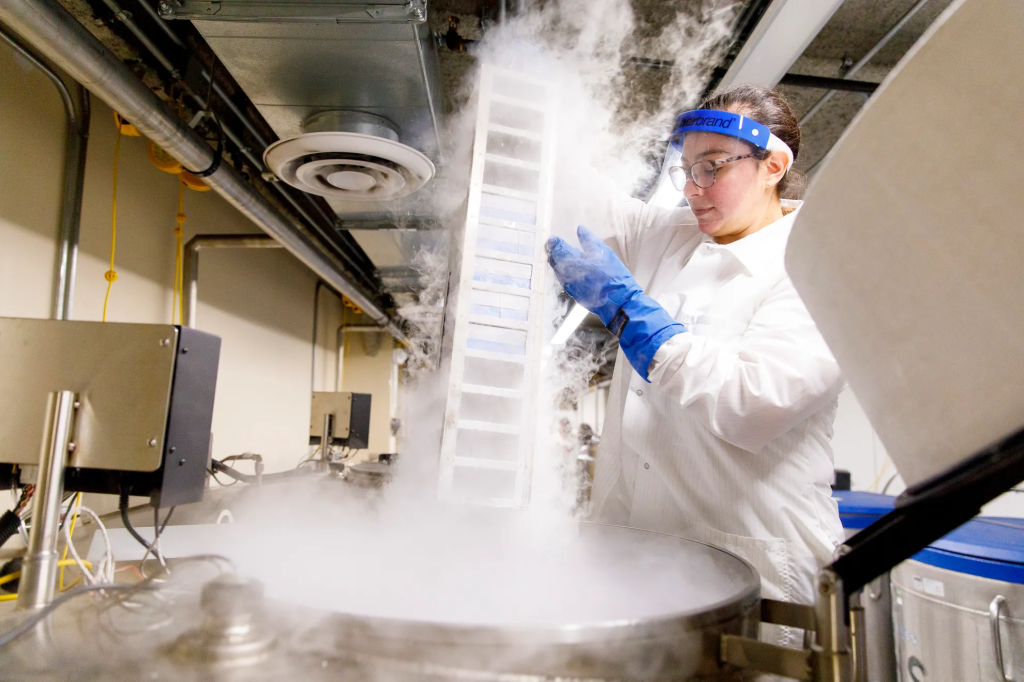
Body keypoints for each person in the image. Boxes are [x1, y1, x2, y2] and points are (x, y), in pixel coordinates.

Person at [546, 85, 846, 616]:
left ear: (774, 166)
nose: (692, 189)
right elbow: (577, 199)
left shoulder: (819, 265)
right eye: (685, 170)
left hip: (758, 571)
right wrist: (536, 99)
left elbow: (753, 403)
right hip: (637, 560)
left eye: (712, 168)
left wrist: (633, 316)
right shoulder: (671, 235)